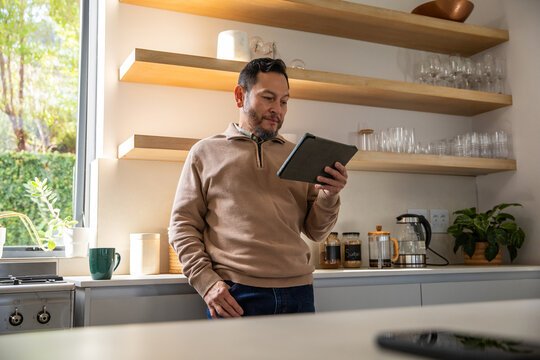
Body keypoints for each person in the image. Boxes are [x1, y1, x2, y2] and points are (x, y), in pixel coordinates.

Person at [169, 58, 348, 319]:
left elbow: (316, 231)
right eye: (268, 98)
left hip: (299, 292)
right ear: (240, 96)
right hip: (236, 294)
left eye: (284, 101)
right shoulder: (205, 152)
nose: (277, 109)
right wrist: (206, 282)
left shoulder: (298, 155)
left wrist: (329, 195)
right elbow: (182, 226)